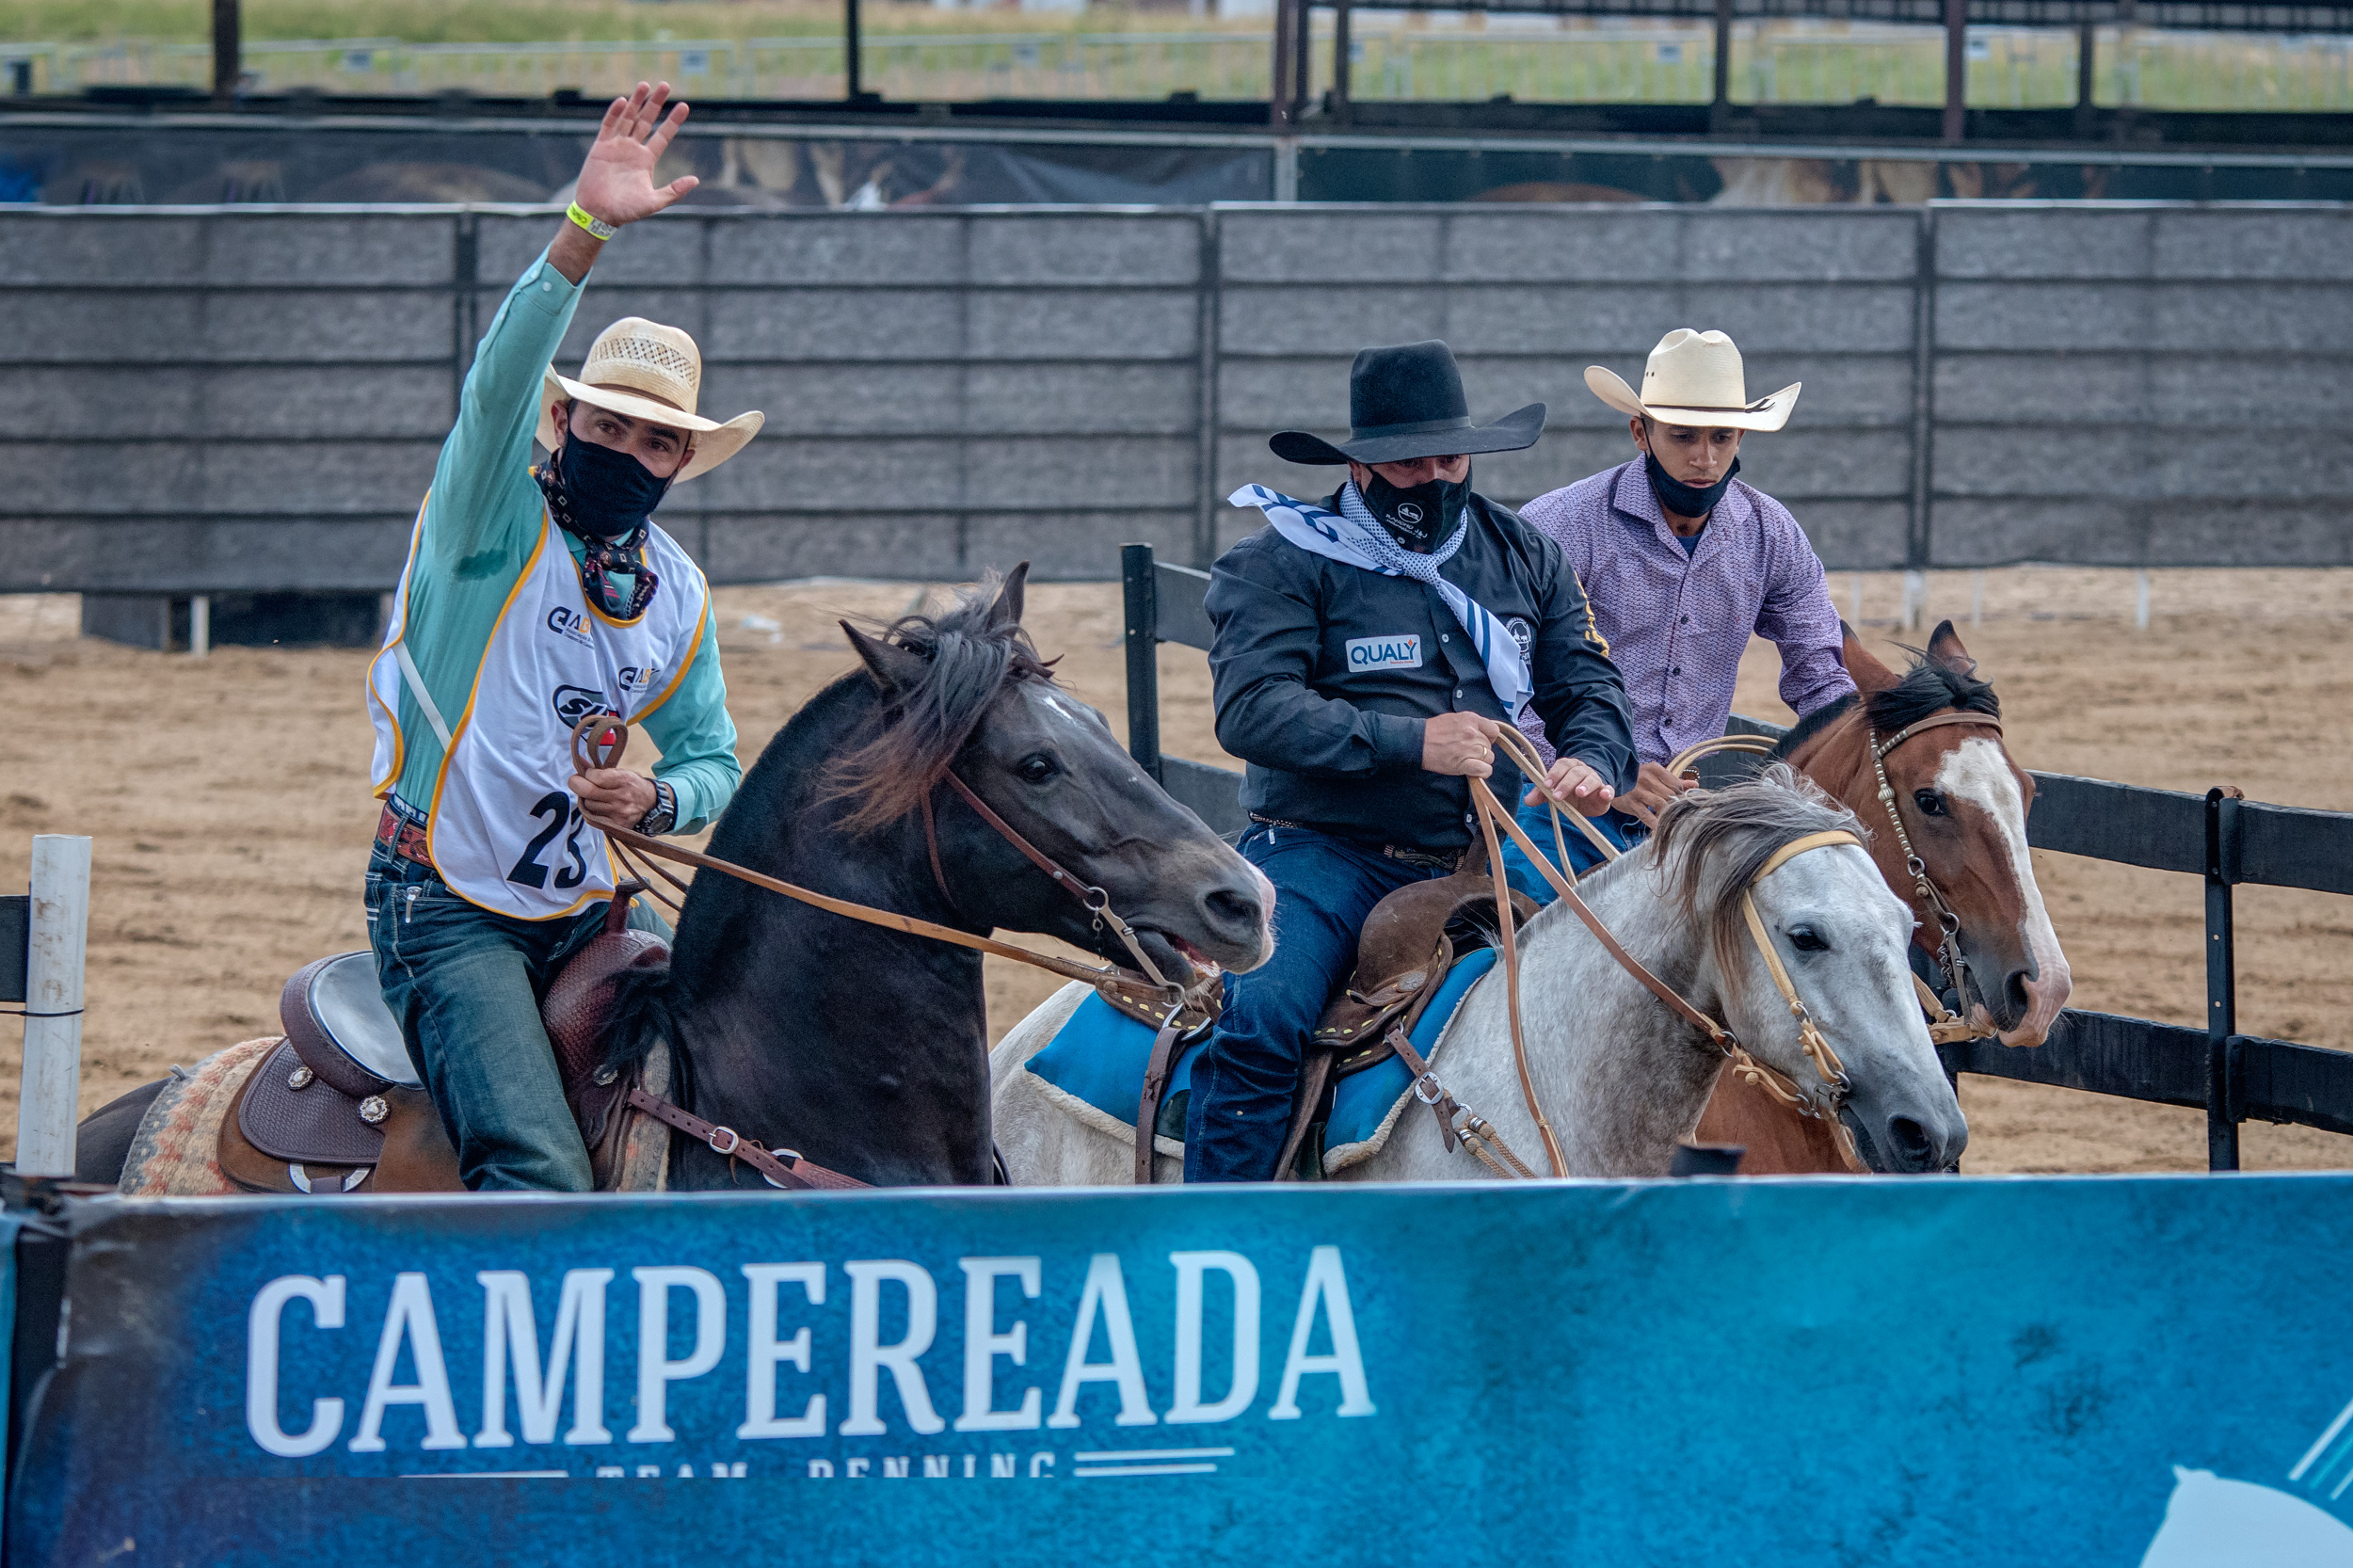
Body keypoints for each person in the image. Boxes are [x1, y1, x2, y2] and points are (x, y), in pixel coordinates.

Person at [364, 84, 764, 1191]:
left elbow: (711, 757)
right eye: (604, 424)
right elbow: (492, 388)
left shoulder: (677, 592)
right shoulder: (488, 526)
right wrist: (581, 234)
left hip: (591, 907)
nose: (625, 449)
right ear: (562, 422)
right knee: (539, 1171)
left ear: (681, 462)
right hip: (445, 907)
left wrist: (661, 800)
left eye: (653, 439)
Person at [1188, 340, 1638, 1183]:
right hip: (1324, 853)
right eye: (1407, 462)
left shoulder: (1522, 554)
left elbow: (1587, 681)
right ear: (1360, 466)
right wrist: (1408, 741)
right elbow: (1251, 709)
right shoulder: (1281, 561)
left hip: (1492, 852)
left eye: (1450, 457)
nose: (1433, 477)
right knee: (1264, 1018)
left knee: (1638, 988)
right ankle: (1222, 1233)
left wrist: (1590, 757)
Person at [1503, 328, 1855, 903]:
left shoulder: (1771, 535)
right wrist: (1596, 766)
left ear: (1741, 434)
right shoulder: (1561, 526)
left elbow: (1822, 674)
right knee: (1514, 940)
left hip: (1689, 821)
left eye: (1722, 436)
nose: (1705, 458)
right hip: (1555, 807)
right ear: (1641, 432)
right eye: (1683, 435)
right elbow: (1504, 671)